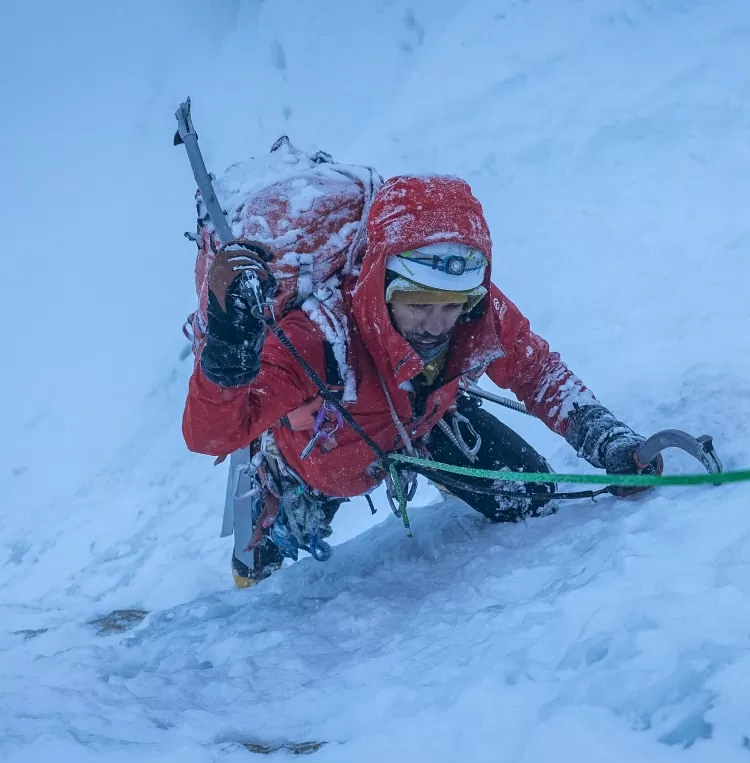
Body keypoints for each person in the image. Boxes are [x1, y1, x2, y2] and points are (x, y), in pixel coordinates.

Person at [183, 175, 660, 587]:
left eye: (451, 307)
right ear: (380, 283)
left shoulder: (475, 311)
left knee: (530, 498)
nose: (437, 326)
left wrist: (605, 438)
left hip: (424, 423)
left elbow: (537, 372)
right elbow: (211, 435)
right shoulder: (317, 336)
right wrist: (227, 359)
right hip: (315, 457)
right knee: (263, 584)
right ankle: (275, 488)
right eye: (418, 305)